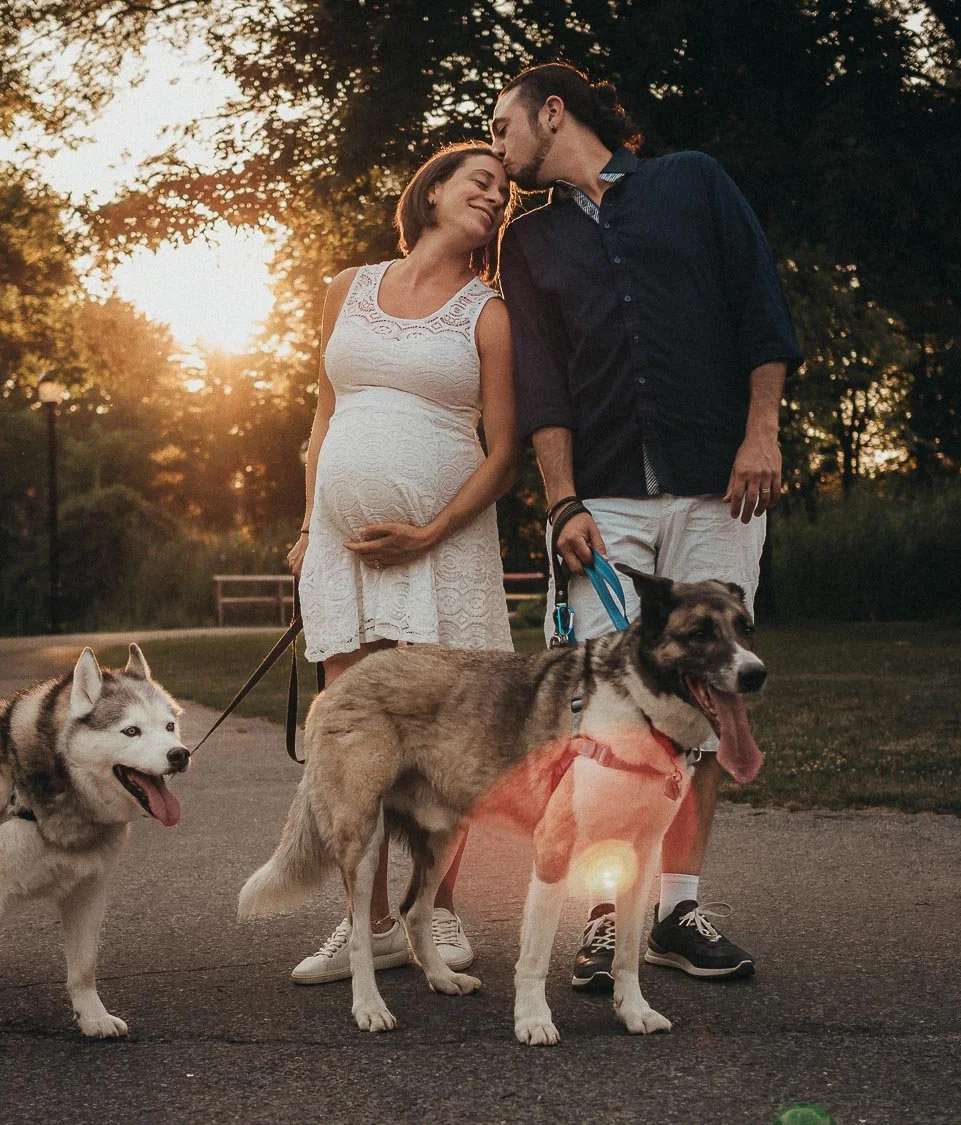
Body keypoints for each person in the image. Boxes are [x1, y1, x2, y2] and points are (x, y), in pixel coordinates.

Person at [490, 63, 802, 988]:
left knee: (704, 698)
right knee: (605, 711)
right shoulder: (527, 240)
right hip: (606, 499)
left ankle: (673, 911)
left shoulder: (692, 181)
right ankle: (601, 915)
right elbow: (541, 379)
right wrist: (561, 498)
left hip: (719, 483)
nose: (497, 145)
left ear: (554, 112)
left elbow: (760, 305)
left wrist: (761, 432)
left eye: (503, 125)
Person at [285, 142, 519, 986]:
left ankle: (438, 912)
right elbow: (322, 414)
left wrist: (430, 530)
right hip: (342, 559)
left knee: (443, 739)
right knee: (356, 743)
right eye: (480, 182)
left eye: (504, 192)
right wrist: (311, 524)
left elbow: (505, 452)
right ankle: (367, 925)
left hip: (443, 552)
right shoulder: (345, 288)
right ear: (431, 192)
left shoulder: (487, 312)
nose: (495, 197)